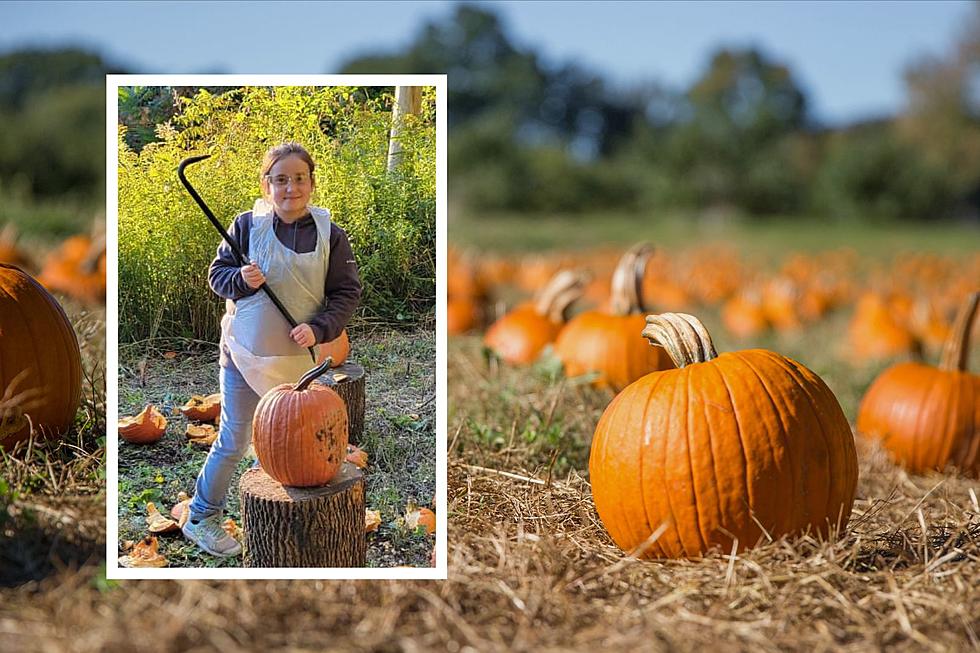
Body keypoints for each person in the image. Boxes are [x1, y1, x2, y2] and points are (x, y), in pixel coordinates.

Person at [182, 142, 361, 556]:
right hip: (245, 356)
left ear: (311, 183)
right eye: (280, 179)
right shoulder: (246, 226)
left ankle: (297, 527)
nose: (290, 188)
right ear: (267, 186)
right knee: (235, 437)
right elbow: (217, 277)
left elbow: (346, 292)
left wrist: (320, 327)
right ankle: (201, 516)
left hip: (301, 363)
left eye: (299, 178)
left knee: (299, 444)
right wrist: (241, 279)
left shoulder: (330, 234)